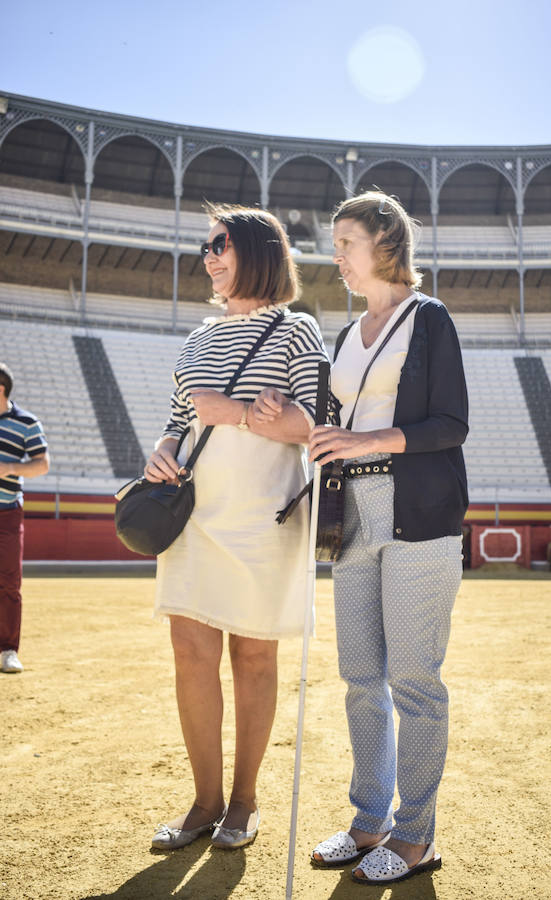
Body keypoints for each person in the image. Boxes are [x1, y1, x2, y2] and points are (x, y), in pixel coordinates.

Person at [144, 206, 329, 851]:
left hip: (263, 513)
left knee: (254, 657)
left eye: (220, 244)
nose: (209, 255)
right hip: (193, 512)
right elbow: (180, 420)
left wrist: (237, 414)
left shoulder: (296, 329)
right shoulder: (196, 338)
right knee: (190, 655)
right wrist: (161, 452)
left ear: (256, 252)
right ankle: (203, 802)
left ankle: (244, 804)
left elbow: (313, 425)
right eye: (205, 246)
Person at [308, 192, 468, 885]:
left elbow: (450, 424)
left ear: (387, 244)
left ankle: (415, 836)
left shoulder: (428, 319)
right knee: (359, 679)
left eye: (347, 242)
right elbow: (331, 417)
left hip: (419, 511)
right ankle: (368, 820)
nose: (336, 255)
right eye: (335, 243)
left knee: (414, 681)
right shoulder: (346, 335)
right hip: (352, 512)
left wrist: (366, 437)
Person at [0, 363, 50, 674]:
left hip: (7, 510)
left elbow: (42, 464)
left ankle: (7, 650)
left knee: (9, 582)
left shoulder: (27, 423)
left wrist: (9, 468)